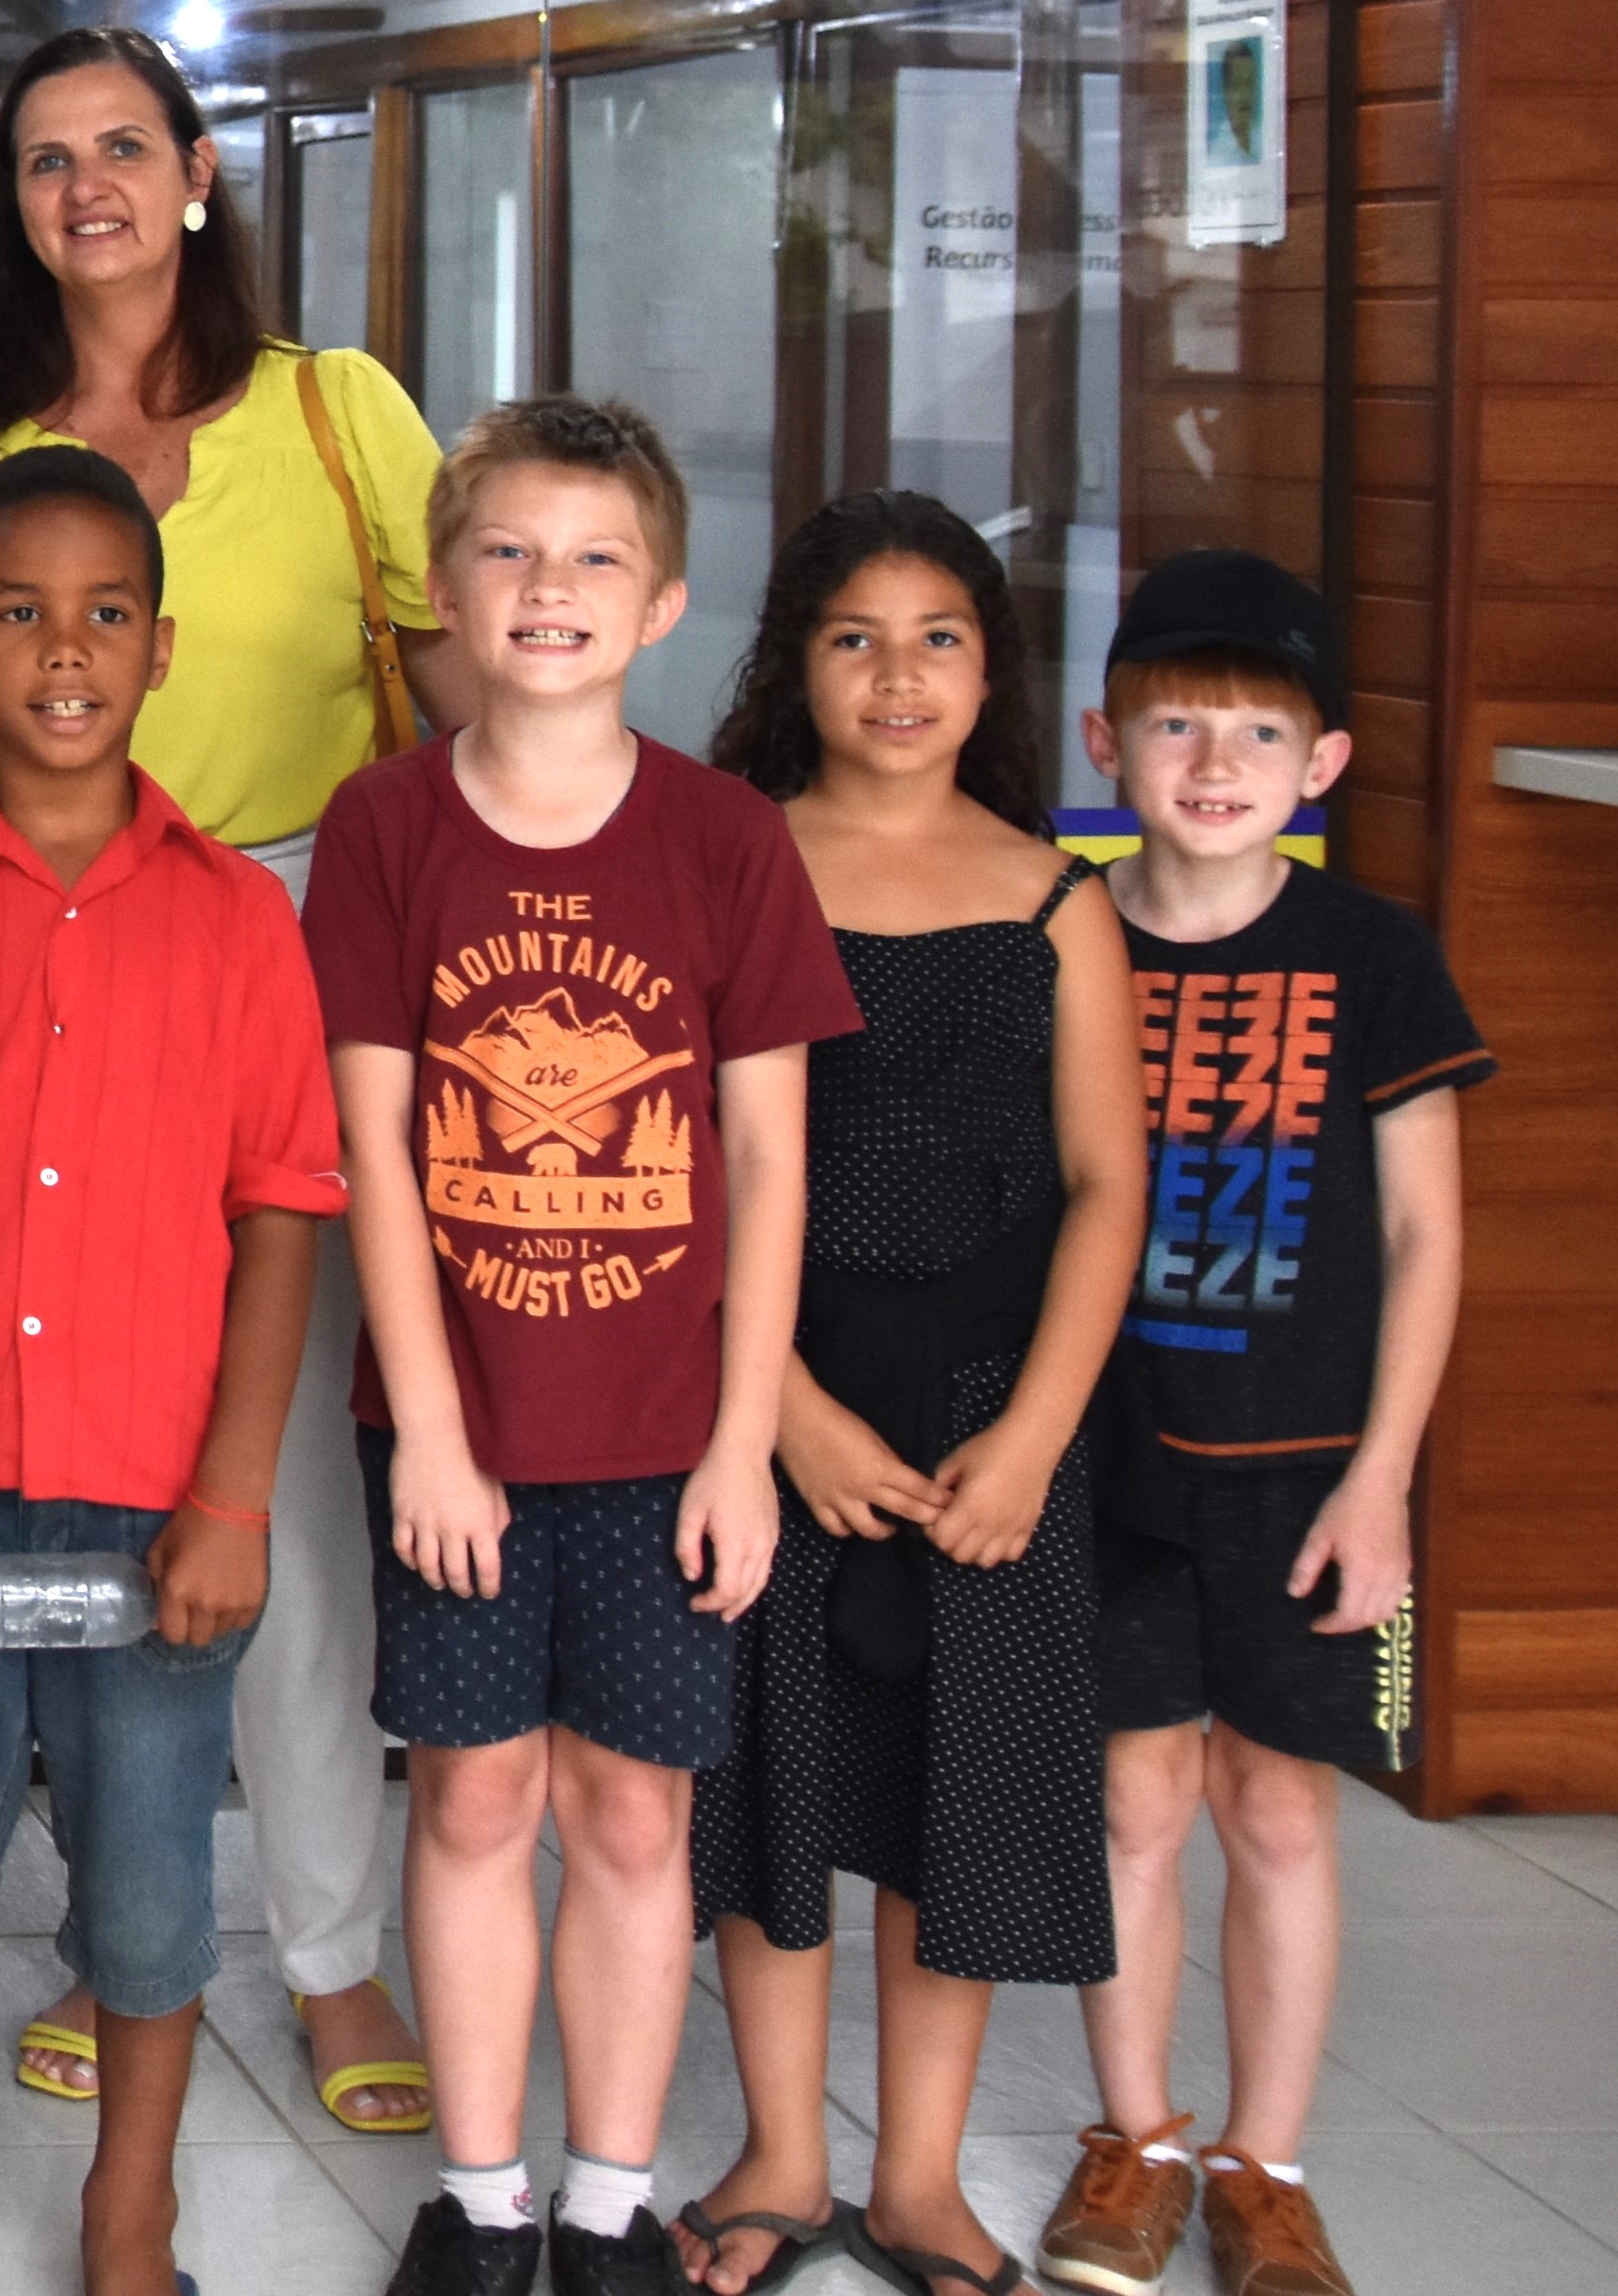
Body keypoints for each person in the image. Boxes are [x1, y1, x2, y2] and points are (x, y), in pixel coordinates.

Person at [0, 21, 458, 2128]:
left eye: (120, 148)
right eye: (40, 161)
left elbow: (470, 696)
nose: (83, 186)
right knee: (42, 1479)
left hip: (277, 947)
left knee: (255, 1479)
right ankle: (131, 1940)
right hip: (12, 954)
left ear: (198, 174)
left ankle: (331, 1950)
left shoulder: (333, 409)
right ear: (4, 206)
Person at [0, 449, 340, 2296]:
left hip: (154, 1490)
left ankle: (133, 2217)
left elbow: (282, 1215)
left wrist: (235, 1496)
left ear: (162, 644)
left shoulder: (242, 921)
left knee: (154, 1885)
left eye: (106, 611)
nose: (65, 649)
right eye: (19, 613)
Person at [314, 397, 847, 2296]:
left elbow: (768, 1160)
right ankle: (479, 2195)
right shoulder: (382, 825)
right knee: (471, 1793)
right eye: (508, 554)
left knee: (634, 1805)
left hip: (662, 1432)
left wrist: (736, 1442)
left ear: (664, 599)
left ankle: (608, 2204)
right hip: (455, 1423)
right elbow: (371, 1141)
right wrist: (433, 1429)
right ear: (443, 588)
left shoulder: (721, 840)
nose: (547, 591)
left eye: (592, 557)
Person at [673, 495, 1142, 2296]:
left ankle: (924, 2180)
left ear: (992, 672)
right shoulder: (728, 859)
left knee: (956, 1806)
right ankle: (785, 2153)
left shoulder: (1053, 897)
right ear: (795, 658)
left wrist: (1032, 1436)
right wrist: (773, 1405)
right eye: (856, 634)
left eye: (939, 635)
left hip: (988, 1430)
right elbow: (690, 1167)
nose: (897, 672)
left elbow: (1109, 1186)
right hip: (769, 1405)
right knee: (774, 1792)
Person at [1034, 553, 1481, 2296]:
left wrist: (1385, 1486)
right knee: (1132, 1808)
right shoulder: (1062, 932)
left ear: (1323, 765)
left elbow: (1433, 1233)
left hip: (1317, 1484)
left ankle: (1264, 2169)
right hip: (1116, 1475)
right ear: (1107, 740)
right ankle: (1132, 2142)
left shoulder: (1371, 954)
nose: (1213, 762)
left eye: (1257, 732)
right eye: (1173, 727)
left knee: (1283, 1817)